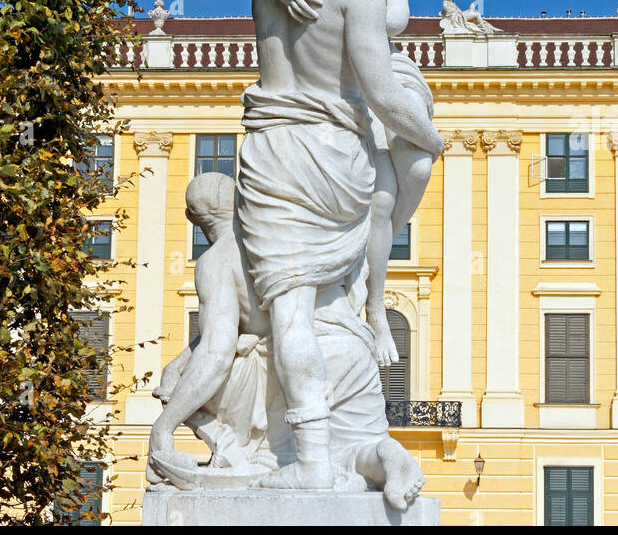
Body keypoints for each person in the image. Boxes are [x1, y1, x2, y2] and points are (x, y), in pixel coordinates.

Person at [238, 0, 444, 492]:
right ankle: (342, 445)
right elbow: (382, 96)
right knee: (331, 299)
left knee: (292, 309)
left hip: (270, 149)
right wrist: (430, 139)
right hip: (332, 157)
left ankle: (313, 460)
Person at [252, 0, 438, 367]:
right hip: (336, 66)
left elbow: (402, 13)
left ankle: (364, 274)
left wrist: (374, 9)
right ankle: (374, 304)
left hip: (374, 50)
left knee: (417, 163)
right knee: (380, 199)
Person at [148, 173, 426, 510]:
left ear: (197, 220)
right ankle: (386, 456)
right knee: (352, 450)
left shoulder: (219, 259)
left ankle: (247, 453)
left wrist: (165, 425)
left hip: (299, 361)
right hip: (352, 347)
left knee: (182, 386)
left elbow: (215, 353)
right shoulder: (286, 232)